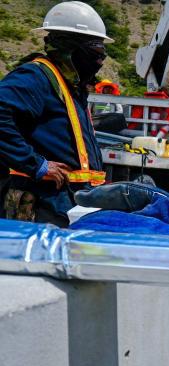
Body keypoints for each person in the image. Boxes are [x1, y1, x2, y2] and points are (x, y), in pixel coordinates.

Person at [0, 1, 110, 227]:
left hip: (66, 202)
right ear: (69, 48)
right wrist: (36, 165)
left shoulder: (70, 86)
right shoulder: (35, 77)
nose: (100, 61)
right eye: (95, 51)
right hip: (39, 204)